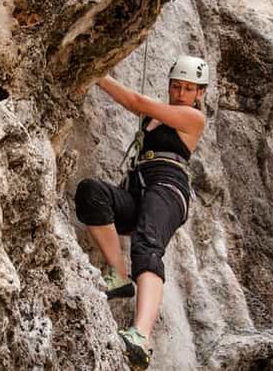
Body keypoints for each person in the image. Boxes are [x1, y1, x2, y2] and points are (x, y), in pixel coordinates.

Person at [75, 55, 209, 370]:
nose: (180, 93)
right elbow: (137, 105)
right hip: (139, 186)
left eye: (188, 88)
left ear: (200, 93)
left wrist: (96, 73)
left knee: (147, 246)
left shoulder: (193, 118)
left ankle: (141, 337)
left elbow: (135, 100)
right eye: (176, 86)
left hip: (167, 187)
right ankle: (119, 275)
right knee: (91, 193)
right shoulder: (156, 118)